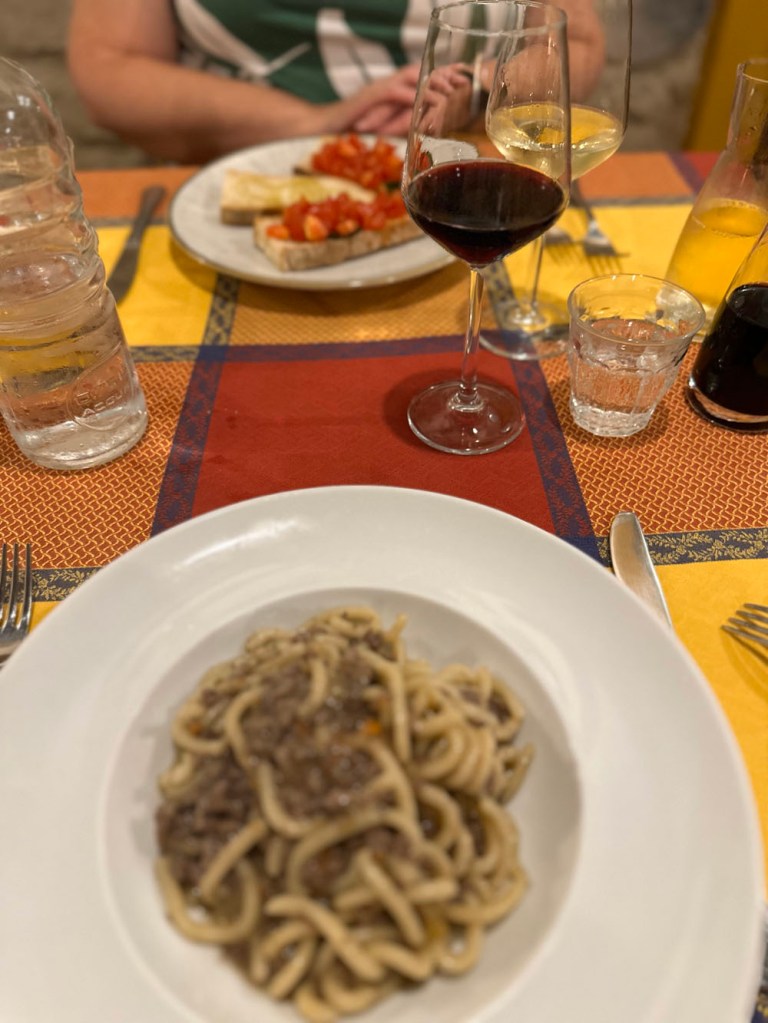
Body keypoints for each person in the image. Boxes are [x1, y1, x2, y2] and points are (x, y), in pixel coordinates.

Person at [67, 0, 604, 166]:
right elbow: (110, 70)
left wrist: (479, 91)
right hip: (238, 173)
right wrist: (314, 123)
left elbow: (575, 43)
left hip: (481, 170)